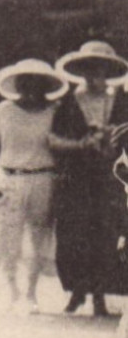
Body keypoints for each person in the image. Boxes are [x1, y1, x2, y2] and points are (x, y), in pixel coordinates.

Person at [0, 58, 70, 312]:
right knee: (7, 238)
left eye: (37, 82)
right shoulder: (4, 110)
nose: (31, 88)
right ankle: (12, 291)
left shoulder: (55, 112)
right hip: (8, 178)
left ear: (45, 85)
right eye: (26, 82)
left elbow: (61, 148)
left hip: (43, 178)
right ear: (18, 84)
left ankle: (31, 293)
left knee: (39, 238)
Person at [49, 41, 128, 317]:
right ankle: (78, 291)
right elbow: (52, 139)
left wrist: (113, 140)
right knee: (75, 233)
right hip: (77, 177)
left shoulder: (120, 101)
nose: (96, 75)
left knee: (105, 233)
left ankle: (99, 295)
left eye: (101, 69)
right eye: (90, 69)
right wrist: (81, 144)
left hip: (109, 177)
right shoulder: (69, 103)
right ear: (82, 72)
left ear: (108, 71)